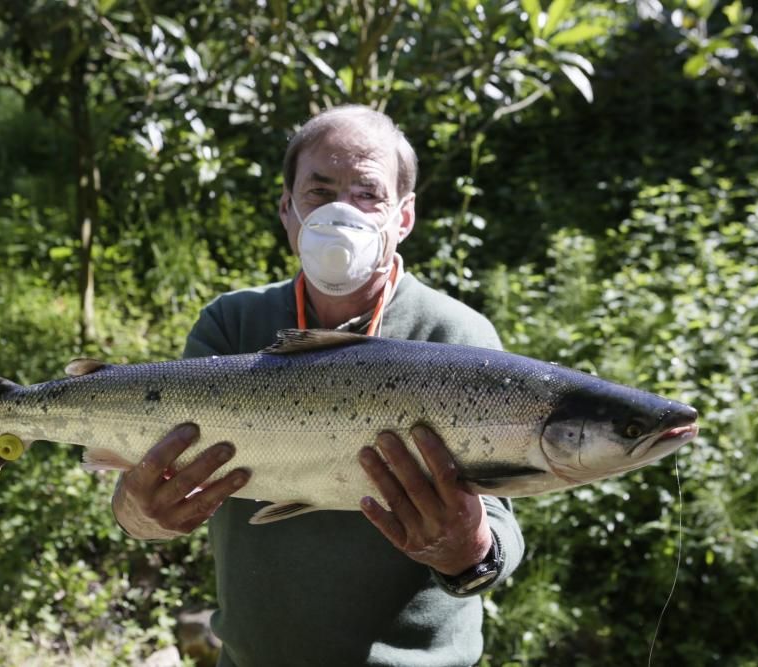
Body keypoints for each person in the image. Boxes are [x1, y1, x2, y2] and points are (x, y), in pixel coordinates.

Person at [111, 105, 524, 666]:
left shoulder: (455, 337)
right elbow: (149, 493)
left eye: (367, 194)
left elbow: (498, 530)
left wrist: (467, 552)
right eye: (320, 191)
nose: (340, 212)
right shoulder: (232, 324)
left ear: (403, 216)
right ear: (288, 209)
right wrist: (139, 513)